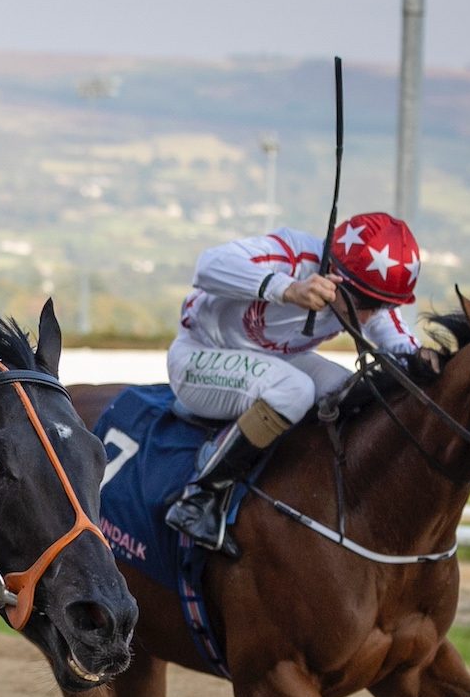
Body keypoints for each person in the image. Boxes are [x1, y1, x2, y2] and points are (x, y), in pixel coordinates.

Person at [164, 211, 425, 554]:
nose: (367, 317)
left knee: (353, 390)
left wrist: (425, 363)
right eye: (363, 303)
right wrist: (286, 289)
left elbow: (404, 350)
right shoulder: (292, 252)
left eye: (381, 306)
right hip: (198, 355)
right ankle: (200, 497)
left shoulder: (370, 299)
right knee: (294, 390)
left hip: (275, 362)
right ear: (335, 274)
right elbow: (208, 266)